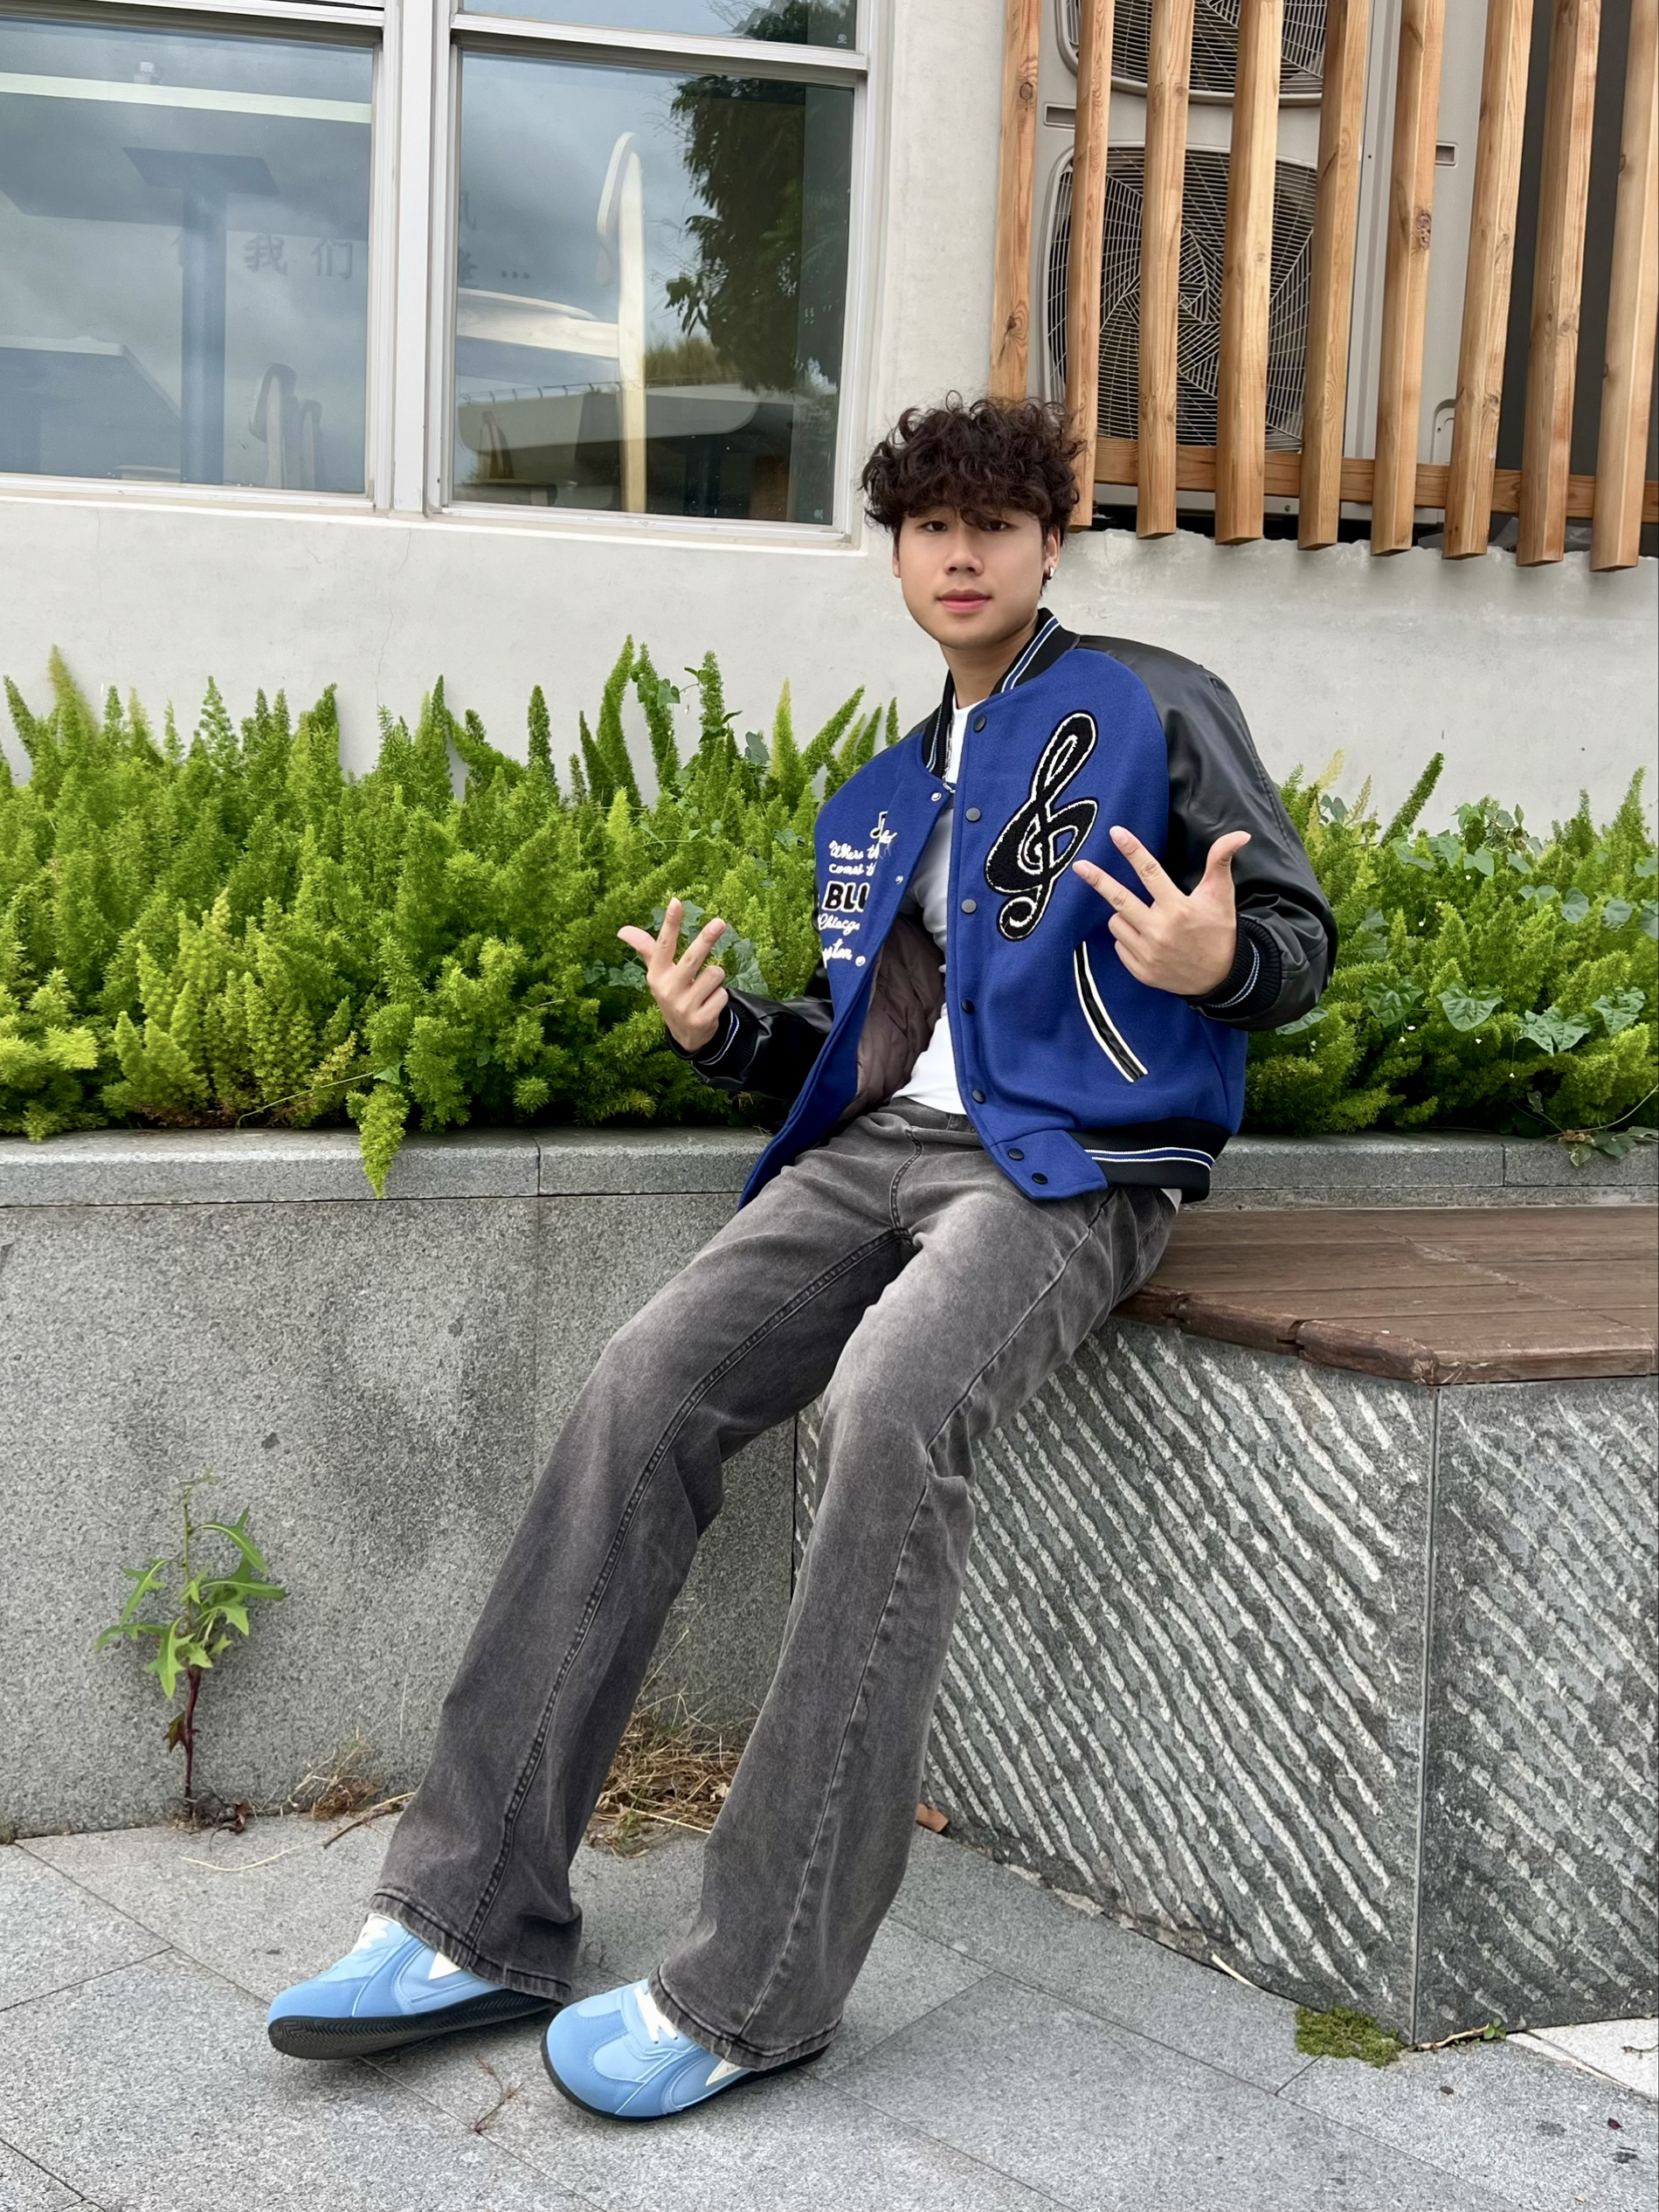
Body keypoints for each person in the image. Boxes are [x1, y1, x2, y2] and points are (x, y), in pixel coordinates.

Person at [266, 394, 1336, 2120]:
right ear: (897, 557)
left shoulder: (1151, 705)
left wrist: (1219, 963)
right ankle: (471, 1913)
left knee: (890, 1401)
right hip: (879, 1154)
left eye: (994, 524)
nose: (961, 554)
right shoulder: (886, 791)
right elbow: (870, 1048)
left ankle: (756, 1985)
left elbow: (1290, 938)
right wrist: (725, 1037)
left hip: (1069, 1169)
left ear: (1046, 544)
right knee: (643, 1382)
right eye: (930, 528)